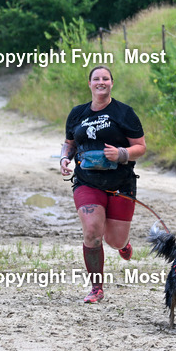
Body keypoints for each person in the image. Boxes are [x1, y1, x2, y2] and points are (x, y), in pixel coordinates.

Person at [60, 66, 146, 303]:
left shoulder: (124, 113)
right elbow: (69, 143)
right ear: (89, 84)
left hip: (121, 183)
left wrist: (121, 153)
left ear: (111, 83)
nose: (101, 82)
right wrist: (64, 158)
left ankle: (123, 244)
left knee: (114, 240)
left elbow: (140, 147)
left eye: (105, 79)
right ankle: (96, 288)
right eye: (96, 79)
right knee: (92, 232)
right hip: (87, 182)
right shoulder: (77, 113)